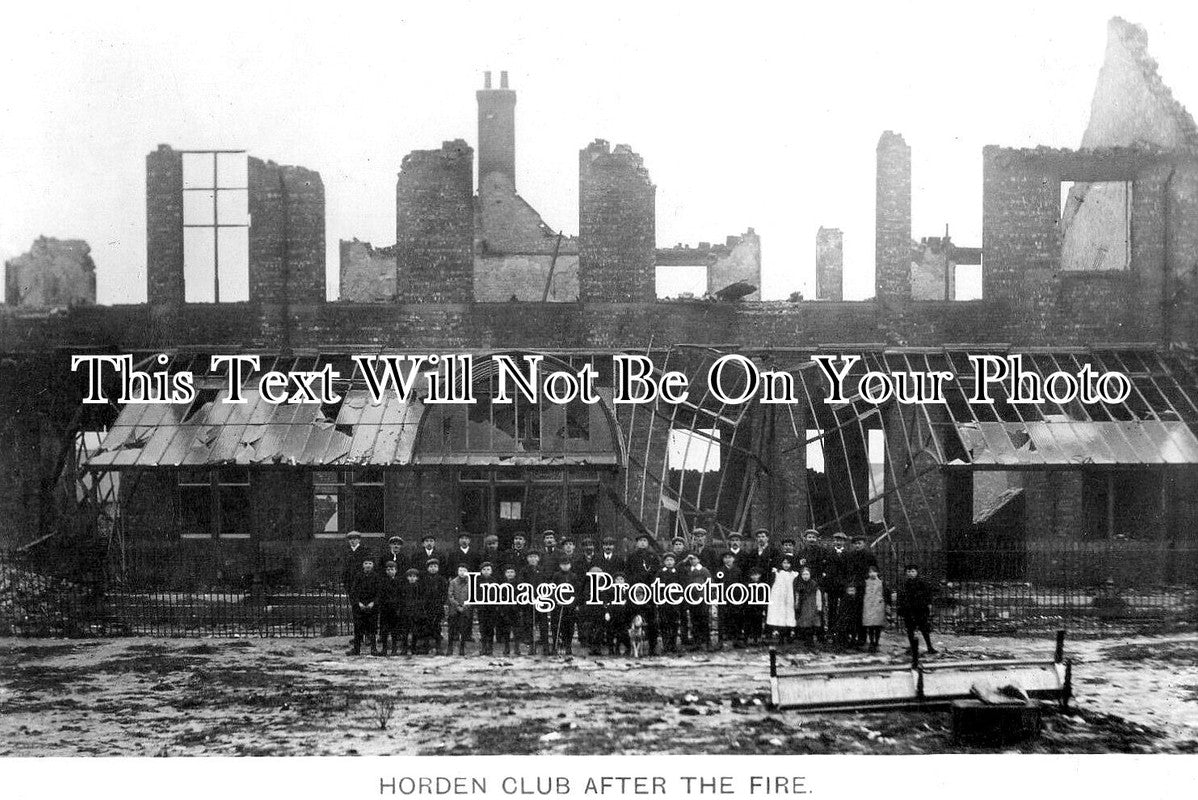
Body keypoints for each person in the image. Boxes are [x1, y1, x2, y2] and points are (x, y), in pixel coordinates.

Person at [624, 533, 661, 655]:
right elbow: (627, 573)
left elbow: (656, 573)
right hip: (634, 592)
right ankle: (630, 648)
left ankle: (652, 647)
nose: (643, 543)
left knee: (652, 620)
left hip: (649, 592)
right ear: (637, 543)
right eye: (640, 541)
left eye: (645, 540)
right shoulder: (632, 557)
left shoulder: (653, 556)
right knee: (630, 618)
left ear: (648, 543)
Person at [897, 564, 937, 658]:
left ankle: (929, 647)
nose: (911, 574)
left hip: (920, 609)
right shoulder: (905, 584)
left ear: (917, 572)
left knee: (924, 628)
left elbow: (928, 595)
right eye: (909, 572)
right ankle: (912, 647)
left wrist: (927, 606)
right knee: (910, 629)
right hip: (909, 610)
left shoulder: (922, 583)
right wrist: (902, 607)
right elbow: (901, 596)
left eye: (913, 571)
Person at [348, 558, 380, 656]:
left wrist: (373, 603)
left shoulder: (376, 577)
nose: (368, 565)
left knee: (372, 628)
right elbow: (353, 592)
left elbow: (379, 592)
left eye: (370, 563)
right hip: (359, 606)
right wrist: (358, 603)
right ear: (363, 565)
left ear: (373, 565)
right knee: (358, 628)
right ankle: (356, 649)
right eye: (366, 563)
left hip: (372, 606)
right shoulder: (358, 576)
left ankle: (373, 649)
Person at [548, 556, 580, 655]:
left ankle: (568, 646)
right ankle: (555, 646)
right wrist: (557, 600)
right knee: (556, 626)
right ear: (560, 565)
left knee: (569, 627)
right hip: (558, 605)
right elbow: (552, 589)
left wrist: (572, 603)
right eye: (563, 564)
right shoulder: (556, 576)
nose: (565, 566)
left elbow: (576, 592)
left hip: (569, 606)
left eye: (567, 564)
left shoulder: (574, 576)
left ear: (570, 565)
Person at [765, 555, 799, 643]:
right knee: (780, 615)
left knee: (789, 615)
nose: (786, 565)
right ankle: (780, 636)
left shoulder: (794, 574)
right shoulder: (777, 573)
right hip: (779, 597)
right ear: (781, 563)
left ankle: (789, 635)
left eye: (788, 563)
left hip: (789, 597)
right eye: (784, 563)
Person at [713, 551, 742, 648]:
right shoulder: (719, 571)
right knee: (722, 619)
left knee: (736, 618)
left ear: (733, 559)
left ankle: (736, 640)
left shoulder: (738, 570)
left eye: (730, 557)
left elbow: (741, 584)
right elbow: (715, 584)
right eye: (725, 557)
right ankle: (720, 641)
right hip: (723, 598)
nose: (727, 559)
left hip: (735, 598)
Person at [419, 558, 448, 655]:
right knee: (426, 626)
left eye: (435, 566)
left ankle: (438, 646)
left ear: (438, 568)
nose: (433, 568)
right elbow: (421, 593)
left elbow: (444, 593)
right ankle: (426, 646)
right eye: (431, 567)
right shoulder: (423, 580)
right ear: (427, 568)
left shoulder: (442, 580)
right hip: (426, 607)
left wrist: (442, 603)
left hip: (438, 606)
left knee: (437, 626)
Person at [684, 553, 713, 651]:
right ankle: (697, 643)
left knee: (704, 621)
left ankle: (708, 643)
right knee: (694, 621)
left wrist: (709, 598)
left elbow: (710, 584)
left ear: (699, 560)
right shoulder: (688, 571)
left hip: (703, 599)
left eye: (694, 559)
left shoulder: (704, 571)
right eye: (691, 559)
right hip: (692, 599)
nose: (692, 561)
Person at [821, 532, 849, 630]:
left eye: (840, 540)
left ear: (844, 542)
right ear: (834, 541)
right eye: (836, 540)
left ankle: (842, 630)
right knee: (831, 608)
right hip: (831, 585)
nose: (838, 542)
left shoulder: (847, 554)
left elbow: (849, 570)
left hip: (843, 585)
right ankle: (831, 630)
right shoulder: (828, 553)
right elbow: (825, 568)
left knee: (843, 608)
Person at [656, 553, 683, 654]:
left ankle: (673, 645)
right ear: (664, 562)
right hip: (664, 602)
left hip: (675, 602)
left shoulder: (677, 572)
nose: (669, 562)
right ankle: (665, 645)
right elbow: (656, 586)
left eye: (671, 560)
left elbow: (682, 586)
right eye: (667, 560)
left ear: (674, 561)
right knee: (664, 623)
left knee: (674, 623)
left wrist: (679, 599)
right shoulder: (660, 573)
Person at [861, 564, 890, 653]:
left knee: (877, 625)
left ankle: (876, 642)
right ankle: (871, 642)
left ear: (877, 573)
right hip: (868, 605)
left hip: (878, 606)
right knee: (870, 625)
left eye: (874, 572)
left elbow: (886, 594)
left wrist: (887, 604)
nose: (872, 574)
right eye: (870, 572)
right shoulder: (865, 582)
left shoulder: (881, 583)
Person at [446, 563, 474, 656]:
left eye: (464, 570)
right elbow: (450, 596)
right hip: (454, 610)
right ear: (457, 572)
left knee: (463, 629)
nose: (462, 573)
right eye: (460, 570)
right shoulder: (453, 582)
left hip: (465, 609)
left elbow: (472, 596)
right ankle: (450, 648)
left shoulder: (471, 582)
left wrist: (466, 606)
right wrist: (457, 606)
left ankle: (462, 648)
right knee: (452, 629)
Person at [377, 560, 403, 656]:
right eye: (387, 569)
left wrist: (398, 607)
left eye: (392, 569)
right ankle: (384, 649)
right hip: (385, 609)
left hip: (395, 610)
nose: (389, 571)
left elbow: (401, 596)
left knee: (394, 631)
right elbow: (380, 595)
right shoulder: (382, 582)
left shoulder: (399, 582)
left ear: (396, 570)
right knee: (384, 630)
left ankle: (394, 648)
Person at [794, 566, 823, 646]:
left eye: (807, 574)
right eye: (803, 574)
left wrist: (819, 606)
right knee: (805, 624)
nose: (805, 576)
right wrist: (796, 605)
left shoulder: (814, 584)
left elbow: (818, 596)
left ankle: (811, 640)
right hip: (804, 607)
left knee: (812, 624)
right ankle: (807, 639)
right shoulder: (799, 584)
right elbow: (797, 596)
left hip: (812, 606)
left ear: (810, 575)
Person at [397, 568, 423, 655]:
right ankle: (404, 648)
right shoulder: (404, 587)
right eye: (410, 576)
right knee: (405, 631)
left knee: (415, 631)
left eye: (414, 576)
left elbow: (421, 599)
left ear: (417, 578)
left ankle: (414, 648)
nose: (412, 578)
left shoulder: (419, 588)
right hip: (406, 612)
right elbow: (401, 599)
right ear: (407, 577)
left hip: (415, 612)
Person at [475, 562, 499, 656]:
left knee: (490, 627)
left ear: (491, 571)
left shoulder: (495, 581)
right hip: (482, 607)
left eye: (488, 569)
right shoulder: (477, 581)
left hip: (491, 607)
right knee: (483, 627)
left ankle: (490, 647)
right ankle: (483, 646)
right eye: (484, 569)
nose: (486, 571)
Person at [498, 566, 522, 655]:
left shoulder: (519, 584)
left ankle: (517, 648)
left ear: (515, 574)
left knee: (517, 630)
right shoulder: (501, 585)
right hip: (506, 609)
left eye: (512, 572)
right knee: (506, 629)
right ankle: (506, 647)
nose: (510, 574)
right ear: (505, 574)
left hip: (516, 609)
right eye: (508, 572)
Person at [834, 583, 864, 648]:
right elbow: (842, 609)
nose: (851, 592)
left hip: (855, 617)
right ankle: (845, 642)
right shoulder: (844, 599)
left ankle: (853, 641)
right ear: (847, 591)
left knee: (854, 630)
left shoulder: (857, 599)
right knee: (845, 629)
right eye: (849, 591)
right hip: (846, 617)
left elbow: (859, 609)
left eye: (853, 591)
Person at [743, 566, 766, 645]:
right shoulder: (747, 585)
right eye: (753, 575)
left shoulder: (762, 585)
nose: (755, 577)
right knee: (748, 622)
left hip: (758, 606)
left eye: (757, 575)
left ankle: (757, 638)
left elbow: (763, 596)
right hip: (749, 607)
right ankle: (747, 638)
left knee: (758, 622)